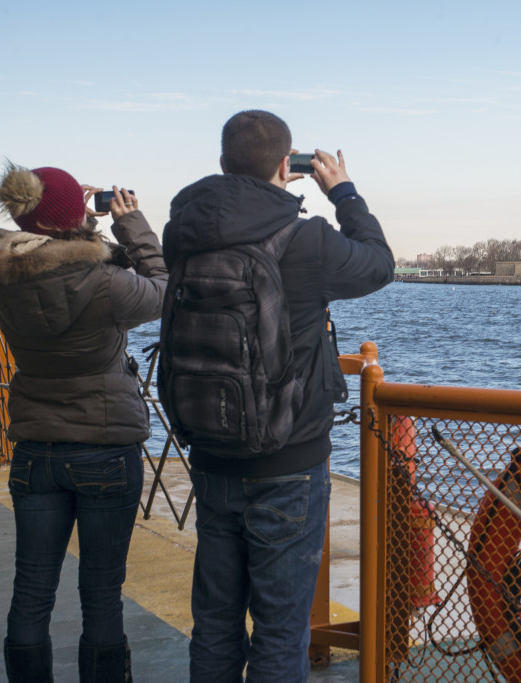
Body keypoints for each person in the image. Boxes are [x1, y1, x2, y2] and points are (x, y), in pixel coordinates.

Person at [162, 110, 394, 682]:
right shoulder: (306, 238)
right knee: (280, 630)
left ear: (222, 163)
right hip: (289, 460)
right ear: (284, 168)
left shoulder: (182, 233)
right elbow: (380, 265)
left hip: (211, 455)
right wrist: (343, 192)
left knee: (214, 624)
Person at [0, 163, 168, 682]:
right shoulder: (104, 281)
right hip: (104, 447)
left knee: (31, 588)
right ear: (74, 217)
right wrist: (131, 222)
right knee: (101, 593)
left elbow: (49, 261)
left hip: (36, 449)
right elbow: (164, 289)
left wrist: (76, 223)